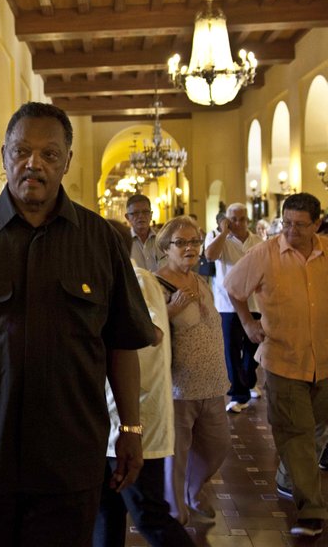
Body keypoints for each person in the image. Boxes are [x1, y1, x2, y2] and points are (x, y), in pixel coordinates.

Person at [0, 102, 156, 547]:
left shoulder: (101, 243)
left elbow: (121, 345)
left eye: (49, 154)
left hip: (70, 458)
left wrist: (131, 430)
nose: (33, 163)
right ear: (3, 156)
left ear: (67, 161)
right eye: (21, 151)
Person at [224, 192, 328, 538]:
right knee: (295, 432)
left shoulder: (326, 252)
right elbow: (234, 289)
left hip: (324, 362)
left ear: (316, 223)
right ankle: (312, 509)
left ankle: (289, 475)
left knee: (314, 429)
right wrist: (248, 323)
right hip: (283, 359)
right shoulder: (265, 253)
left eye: (300, 225)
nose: (291, 231)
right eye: (287, 223)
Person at [94, 221, 195, 547]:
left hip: (137, 419)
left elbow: (150, 334)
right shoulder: (114, 281)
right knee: (105, 510)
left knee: (147, 511)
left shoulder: (137, 281)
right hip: (111, 419)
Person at [154, 215, 231, 526]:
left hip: (212, 382)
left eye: (195, 241)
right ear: (166, 247)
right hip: (179, 386)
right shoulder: (156, 283)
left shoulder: (200, 280)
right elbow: (147, 332)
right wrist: (169, 311)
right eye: (181, 242)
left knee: (218, 445)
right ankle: (175, 510)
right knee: (177, 453)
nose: (190, 247)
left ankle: (193, 488)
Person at [204, 203, 264, 413]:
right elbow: (210, 256)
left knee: (253, 347)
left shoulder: (257, 241)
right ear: (227, 220)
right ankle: (239, 394)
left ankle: (248, 379)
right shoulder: (217, 238)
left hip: (255, 302)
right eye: (233, 219)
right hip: (226, 305)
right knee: (231, 351)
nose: (238, 223)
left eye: (242, 219)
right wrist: (224, 232)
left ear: (248, 219)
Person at [125, 194, 163, 272]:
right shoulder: (123, 242)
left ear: (151, 215)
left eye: (145, 212)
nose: (141, 216)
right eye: (135, 213)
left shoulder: (163, 238)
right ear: (127, 217)